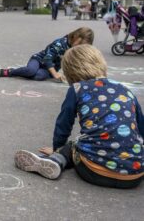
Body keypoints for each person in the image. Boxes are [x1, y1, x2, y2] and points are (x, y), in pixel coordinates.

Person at [14, 45, 144, 188]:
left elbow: (63, 124)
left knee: (74, 145)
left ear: (70, 72)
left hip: (94, 172)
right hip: (135, 174)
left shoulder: (77, 89)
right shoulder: (125, 90)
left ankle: (57, 159)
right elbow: (141, 127)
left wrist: (58, 147)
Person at [0, 27, 94, 81]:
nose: (80, 47)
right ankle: (10, 72)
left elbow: (76, 63)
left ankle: (28, 72)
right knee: (31, 70)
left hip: (48, 69)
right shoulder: (60, 43)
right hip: (38, 60)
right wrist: (55, 74)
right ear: (76, 36)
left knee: (39, 76)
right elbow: (47, 59)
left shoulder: (74, 48)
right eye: (80, 44)